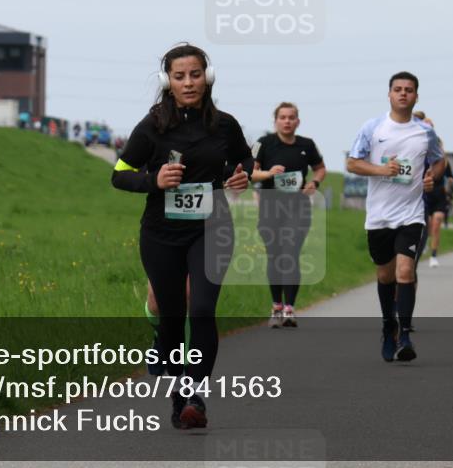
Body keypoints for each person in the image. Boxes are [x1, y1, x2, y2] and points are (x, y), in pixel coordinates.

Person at [111, 43, 253, 429]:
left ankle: (193, 392)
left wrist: (242, 175)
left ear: (207, 78)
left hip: (213, 227)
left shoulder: (224, 125)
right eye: (179, 76)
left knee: (203, 309)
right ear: (167, 81)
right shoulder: (153, 125)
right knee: (173, 321)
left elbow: (245, 158)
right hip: (161, 234)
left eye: (194, 74)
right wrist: (152, 180)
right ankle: (179, 393)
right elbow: (119, 173)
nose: (188, 82)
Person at [346, 72, 445, 363]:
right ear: (389, 94)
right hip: (378, 216)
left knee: (405, 272)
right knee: (385, 275)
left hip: (411, 215)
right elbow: (352, 163)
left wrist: (431, 176)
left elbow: (440, 161)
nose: (403, 94)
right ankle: (388, 325)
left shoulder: (425, 131)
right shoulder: (373, 127)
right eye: (398, 89)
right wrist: (380, 170)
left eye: (409, 90)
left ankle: (404, 334)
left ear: (416, 96)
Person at [252, 103, 327, 328]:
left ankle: (289, 309)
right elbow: (250, 173)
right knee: (275, 256)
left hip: (298, 208)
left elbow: (320, 168)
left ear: (298, 121)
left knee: (291, 254)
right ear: (275, 121)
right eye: (282, 117)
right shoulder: (264, 144)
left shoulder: (307, 145)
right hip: (270, 208)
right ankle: (276, 306)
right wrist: (268, 173)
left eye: (291, 117)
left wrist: (314, 181)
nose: (287, 121)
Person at [417, 117, 453, 268]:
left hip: (439, 193)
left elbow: (449, 176)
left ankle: (433, 255)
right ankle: (425, 242)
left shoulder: (439, 151)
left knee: (436, 223)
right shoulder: (417, 148)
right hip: (424, 194)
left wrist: (449, 191)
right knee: (429, 224)